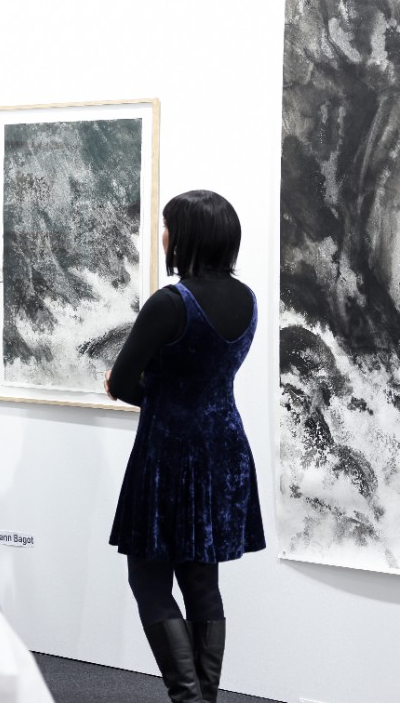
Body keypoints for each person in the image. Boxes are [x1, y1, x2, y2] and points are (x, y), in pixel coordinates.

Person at [105, 189, 265, 703]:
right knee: (202, 581)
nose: (164, 235)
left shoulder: (169, 304)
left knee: (149, 581)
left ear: (189, 235)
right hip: (224, 452)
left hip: (168, 455)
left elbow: (126, 383)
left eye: (168, 226)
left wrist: (142, 387)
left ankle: (189, 699)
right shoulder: (248, 300)